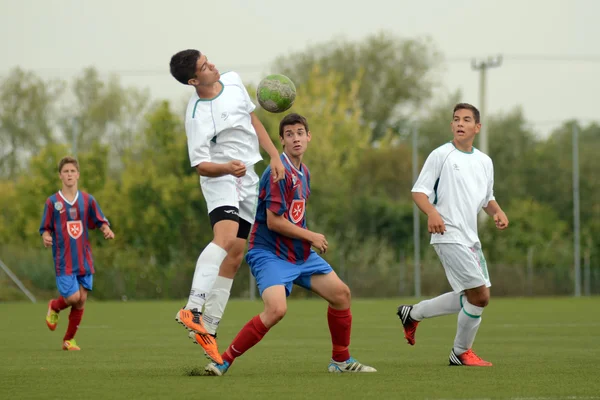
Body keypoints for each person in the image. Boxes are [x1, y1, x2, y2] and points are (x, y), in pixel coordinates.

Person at [203, 113, 377, 376]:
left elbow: (295, 215)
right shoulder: (277, 172)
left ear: (309, 137)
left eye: (300, 132)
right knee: (276, 310)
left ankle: (340, 361)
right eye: (289, 134)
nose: (296, 138)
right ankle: (222, 360)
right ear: (281, 141)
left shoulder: (303, 171)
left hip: (300, 255)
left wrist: (306, 240)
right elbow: (274, 222)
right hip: (269, 253)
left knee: (341, 295)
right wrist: (311, 236)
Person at [169, 49, 285, 364]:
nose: (212, 66)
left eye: (209, 60)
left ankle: (208, 326)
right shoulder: (196, 116)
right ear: (193, 80)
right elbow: (201, 165)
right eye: (204, 67)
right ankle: (192, 308)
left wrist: (274, 155)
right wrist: (226, 169)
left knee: (235, 254)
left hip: (247, 178)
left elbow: (252, 119)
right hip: (221, 178)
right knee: (225, 237)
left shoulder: (232, 81)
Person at [397, 103, 509, 367]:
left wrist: (497, 211)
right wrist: (432, 213)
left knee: (473, 297)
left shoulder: (484, 161)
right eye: (456, 119)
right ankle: (460, 352)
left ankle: (413, 313)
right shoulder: (441, 155)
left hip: (471, 239)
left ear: (477, 127)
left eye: (466, 119)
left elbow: (487, 198)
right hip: (447, 233)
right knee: (480, 297)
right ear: (451, 125)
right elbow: (419, 192)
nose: (460, 123)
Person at [41, 156, 115, 351]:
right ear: (60, 176)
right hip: (63, 259)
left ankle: (68, 340)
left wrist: (106, 229)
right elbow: (45, 228)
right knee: (73, 298)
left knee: (81, 300)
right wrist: (46, 236)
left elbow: (100, 220)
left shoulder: (87, 200)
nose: (69, 175)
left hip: (84, 258)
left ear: (78, 175)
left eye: (72, 171)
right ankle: (55, 306)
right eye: (66, 171)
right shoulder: (53, 202)